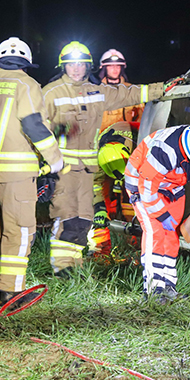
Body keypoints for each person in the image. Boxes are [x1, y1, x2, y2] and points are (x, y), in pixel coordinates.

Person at [42, 42, 163, 277]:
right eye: (71, 64)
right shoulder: (52, 92)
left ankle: (76, 264)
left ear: (88, 66)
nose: (76, 69)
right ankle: (65, 267)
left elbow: (135, 95)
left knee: (86, 217)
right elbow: (35, 128)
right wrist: (46, 164)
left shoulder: (97, 91)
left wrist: (164, 88)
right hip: (67, 168)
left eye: (81, 64)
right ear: (63, 66)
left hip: (99, 165)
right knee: (68, 215)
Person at [0, 37, 63, 308]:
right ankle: (13, 293)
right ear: (26, 63)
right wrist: (54, 159)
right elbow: (34, 125)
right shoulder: (27, 84)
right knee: (19, 232)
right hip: (18, 174)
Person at [124, 125, 190, 302]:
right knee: (155, 233)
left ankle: (168, 286)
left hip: (171, 187)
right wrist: (162, 215)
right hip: (143, 189)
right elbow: (147, 188)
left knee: (171, 236)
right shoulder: (165, 151)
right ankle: (153, 290)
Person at [89, 121, 139, 257]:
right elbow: (95, 183)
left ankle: (136, 245)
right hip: (115, 157)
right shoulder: (95, 154)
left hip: (137, 160)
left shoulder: (141, 143)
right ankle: (100, 249)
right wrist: (99, 208)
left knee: (132, 202)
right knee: (95, 207)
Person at [97, 49, 145, 131]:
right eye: (111, 66)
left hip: (124, 137)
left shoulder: (132, 91)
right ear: (104, 68)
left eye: (118, 66)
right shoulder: (95, 91)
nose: (115, 69)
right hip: (100, 137)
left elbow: (142, 118)